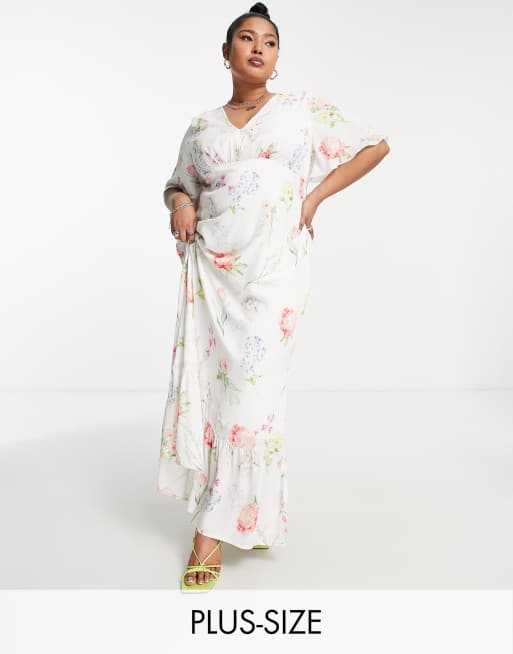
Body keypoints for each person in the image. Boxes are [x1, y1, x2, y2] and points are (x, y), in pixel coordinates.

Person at [158, 2, 390, 592]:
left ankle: (211, 532)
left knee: (255, 392)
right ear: (226, 52)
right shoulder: (202, 126)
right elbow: (178, 183)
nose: (258, 47)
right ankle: (248, 515)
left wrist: (311, 199)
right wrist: (180, 202)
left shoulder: (300, 109)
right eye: (246, 37)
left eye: (269, 40)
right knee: (217, 390)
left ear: (278, 56)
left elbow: (374, 146)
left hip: (273, 270)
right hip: (214, 271)